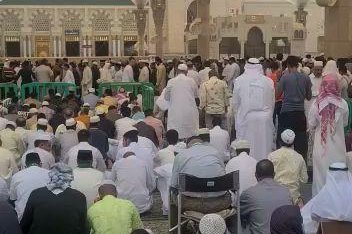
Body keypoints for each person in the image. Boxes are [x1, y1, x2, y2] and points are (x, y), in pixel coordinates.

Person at [170, 129, 230, 232]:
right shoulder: (215, 152)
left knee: (171, 196)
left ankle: (178, 230)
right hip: (220, 203)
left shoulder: (181, 155)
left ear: (188, 145)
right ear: (202, 143)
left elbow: (173, 185)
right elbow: (223, 177)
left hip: (191, 205)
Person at [308, 75, 348, 195]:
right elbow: (345, 123)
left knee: (321, 174)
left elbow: (311, 123)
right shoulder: (344, 104)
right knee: (338, 174)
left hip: (322, 146)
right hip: (339, 146)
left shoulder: (317, 103)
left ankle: (320, 202)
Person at [20, 163, 88, 234]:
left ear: (51, 176)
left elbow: (24, 225)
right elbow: (82, 227)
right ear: (70, 178)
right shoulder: (79, 197)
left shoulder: (36, 194)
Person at [233, 58, 275, 161]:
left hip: (246, 119)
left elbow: (236, 103)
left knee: (247, 150)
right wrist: (268, 117)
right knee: (263, 149)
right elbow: (271, 103)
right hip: (264, 120)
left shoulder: (239, 80)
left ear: (246, 66)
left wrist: (238, 118)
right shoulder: (268, 81)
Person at [240, 159, 292, 234]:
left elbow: (240, 215)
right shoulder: (286, 191)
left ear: (256, 175)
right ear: (274, 174)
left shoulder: (248, 194)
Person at [277, 55, 312, 158]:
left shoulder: (285, 77)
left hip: (287, 112)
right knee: (300, 143)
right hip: (300, 113)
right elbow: (309, 97)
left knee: (285, 141)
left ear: (287, 65)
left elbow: (277, 94)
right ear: (298, 64)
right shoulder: (306, 77)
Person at [268, 129, 308, 206]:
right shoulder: (299, 157)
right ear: (293, 143)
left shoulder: (272, 156)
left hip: (275, 197)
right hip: (294, 199)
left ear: (280, 141)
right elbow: (304, 179)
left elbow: (268, 177)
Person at [10, 152, 50, 220]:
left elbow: (12, 199)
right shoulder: (50, 174)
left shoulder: (16, 176)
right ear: (40, 164)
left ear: (25, 166)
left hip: (22, 218)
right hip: (46, 218)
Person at [165, 64, 199, 139]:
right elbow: (196, 96)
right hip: (189, 111)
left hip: (175, 111)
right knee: (190, 132)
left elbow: (166, 97)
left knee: (175, 130)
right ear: (186, 72)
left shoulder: (171, 81)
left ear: (177, 71)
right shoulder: (191, 81)